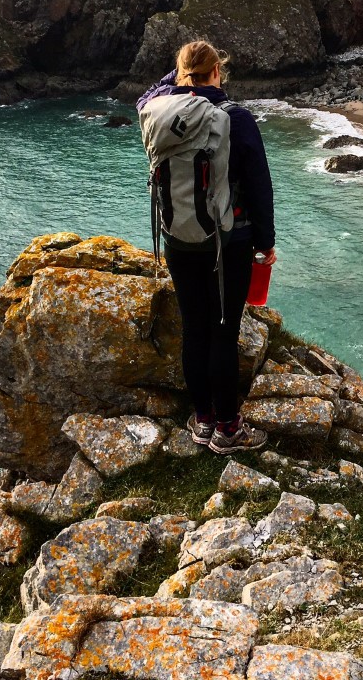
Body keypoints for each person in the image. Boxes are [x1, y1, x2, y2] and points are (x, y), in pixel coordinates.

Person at [138, 40, 276, 454]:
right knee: (223, 332)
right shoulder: (235, 118)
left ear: (180, 75)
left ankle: (202, 421)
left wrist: (178, 76)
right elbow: (259, 185)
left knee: (194, 331)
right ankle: (229, 430)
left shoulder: (157, 114)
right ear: (218, 72)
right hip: (228, 243)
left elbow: (146, 95)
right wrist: (265, 244)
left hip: (178, 241)